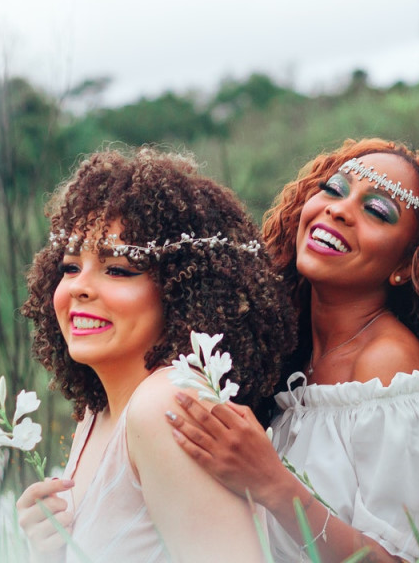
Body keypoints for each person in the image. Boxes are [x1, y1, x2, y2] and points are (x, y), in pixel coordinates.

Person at [165, 138, 419, 562]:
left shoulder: (389, 370)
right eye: (334, 189)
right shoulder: (284, 347)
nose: (338, 209)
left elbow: (413, 559)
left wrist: (274, 486)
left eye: (376, 211)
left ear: (406, 266)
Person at [15, 148, 296, 562]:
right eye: (71, 267)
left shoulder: (164, 405)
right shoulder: (100, 412)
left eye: (118, 270)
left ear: (181, 292)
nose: (79, 287)